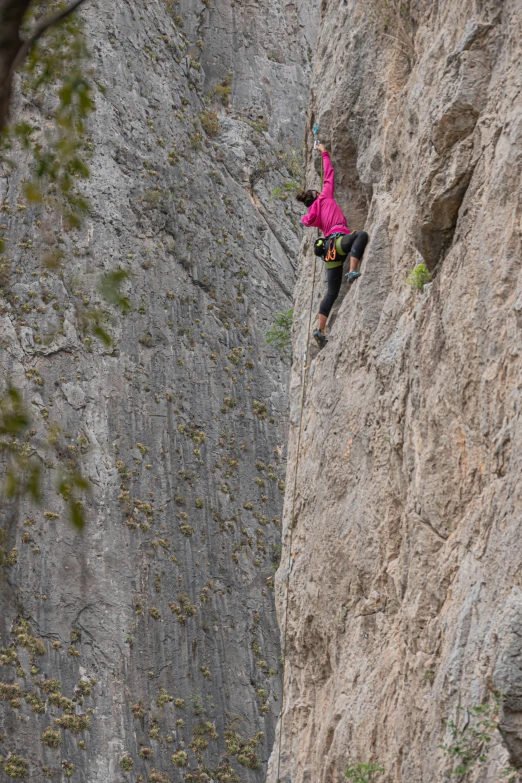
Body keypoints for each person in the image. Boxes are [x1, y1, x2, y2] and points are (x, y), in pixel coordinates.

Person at [296, 143, 369, 347]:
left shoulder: (313, 215)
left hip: (329, 253)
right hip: (338, 241)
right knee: (360, 236)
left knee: (332, 293)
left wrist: (311, 211)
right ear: (317, 195)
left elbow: (305, 220)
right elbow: (329, 174)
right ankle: (353, 271)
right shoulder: (325, 196)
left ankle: (320, 330)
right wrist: (324, 151)